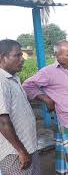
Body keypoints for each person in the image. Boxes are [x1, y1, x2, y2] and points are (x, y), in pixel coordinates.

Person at [23, 40, 68, 175]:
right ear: (57, 55)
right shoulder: (49, 72)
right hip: (66, 120)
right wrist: (45, 99)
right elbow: (27, 86)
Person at [0, 39, 39, 175]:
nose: (22, 59)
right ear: (2, 57)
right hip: (14, 153)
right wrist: (21, 151)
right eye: (17, 55)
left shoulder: (13, 78)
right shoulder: (1, 82)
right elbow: (2, 122)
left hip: (27, 146)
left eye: (22, 55)